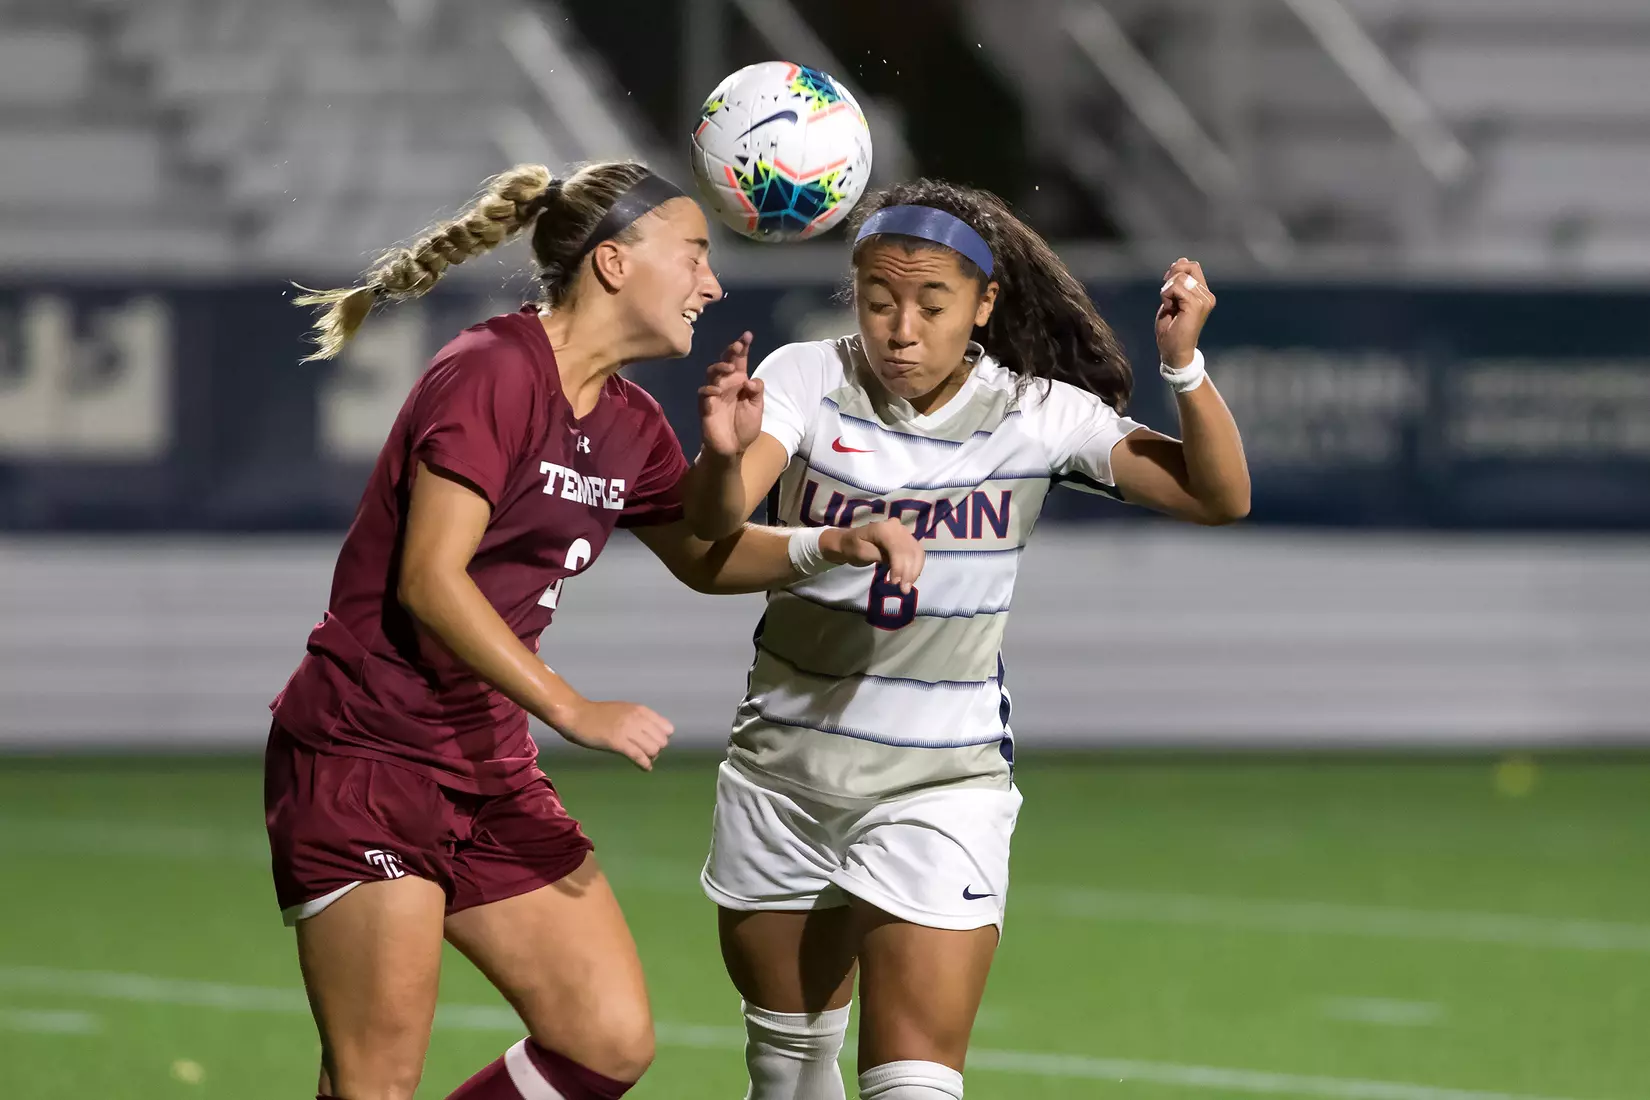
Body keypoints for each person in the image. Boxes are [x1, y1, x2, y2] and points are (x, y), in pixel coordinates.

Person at [265, 160, 924, 1100]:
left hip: (484, 765)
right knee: (374, 1081)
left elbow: (704, 553)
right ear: (614, 263)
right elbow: (428, 582)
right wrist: (574, 709)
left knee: (606, 1041)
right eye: (694, 254)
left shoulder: (629, 419)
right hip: (366, 755)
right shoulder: (491, 372)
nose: (713, 281)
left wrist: (824, 540)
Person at [685, 179, 1251, 1100]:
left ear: (984, 305)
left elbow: (1220, 496)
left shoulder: (1038, 412)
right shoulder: (805, 378)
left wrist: (1182, 368)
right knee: (786, 1075)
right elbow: (712, 526)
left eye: (931, 305)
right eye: (878, 302)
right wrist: (720, 453)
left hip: (940, 787)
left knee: (914, 1082)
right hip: (783, 775)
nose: (901, 328)